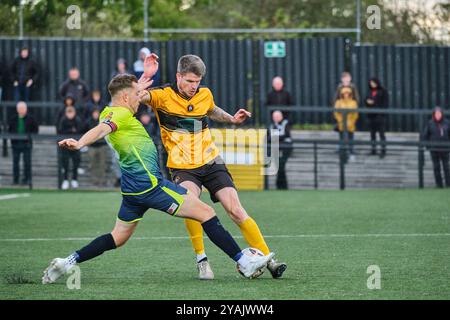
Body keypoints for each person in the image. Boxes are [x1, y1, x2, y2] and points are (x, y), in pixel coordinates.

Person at [42, 72, 274, 284]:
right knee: (207, 213)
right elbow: (102, 129)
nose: (140, 98)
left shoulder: (112, 108)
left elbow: (122, 100)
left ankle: (66, 262)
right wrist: (80, 142)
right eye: (136, 95)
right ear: (124, 98)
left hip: (132, 191)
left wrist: (144, 76)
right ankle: (244, 262)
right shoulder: (120, 114)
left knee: (118, 237)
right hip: (150, 186)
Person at [141, 54, 286, 280]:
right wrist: (146, 76)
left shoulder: (204, 94)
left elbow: (211, 109)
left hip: (211, 161)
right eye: (189, 81)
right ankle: (202, 260)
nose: (193, 86)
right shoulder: (162, 95)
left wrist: (232, 119)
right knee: (192, 204)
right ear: (178, 76)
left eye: (197, 82)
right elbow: (134, 96)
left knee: (236, 210)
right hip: (183, 167)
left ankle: (270, 261)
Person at [7, 101, 39, 185]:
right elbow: (10, 130)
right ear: (17, 109)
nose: (21, 110)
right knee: (15, 163)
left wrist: (29, 137)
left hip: (26, 144)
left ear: (26, 109)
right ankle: (15, 180)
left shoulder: (31, 118)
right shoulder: (13, 119)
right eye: (20, 108)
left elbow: (35, 130)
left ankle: (27, 179)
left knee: (27, 162)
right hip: (16, 144)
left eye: (23, 108)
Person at [421, 107, 450, 188]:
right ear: (433, 115)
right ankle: (439, 184)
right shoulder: (430, 123)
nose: (438, 115)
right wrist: (428, 147)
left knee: (446, 168)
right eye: (436, 114)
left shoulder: (447, 123)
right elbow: (425, 136)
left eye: (439, 113)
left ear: (442, 114)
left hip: (445, 149)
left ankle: (448, 184)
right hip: (434, 150)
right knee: (436, 168)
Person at [57, 105, 84, 190]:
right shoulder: (63, 120)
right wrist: (70, 131)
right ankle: (65, 180)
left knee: (76, 163)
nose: (70, 115)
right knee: (65, 164)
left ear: (74, 113)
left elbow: (80, 130)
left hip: (75, 145)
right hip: (65, 146)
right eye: (68, 112)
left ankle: (74, 180)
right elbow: (60, 131)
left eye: (71, 112)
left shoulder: (78, 120)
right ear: (66, 113)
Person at [364, 78, 388, 158]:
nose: (372, 84)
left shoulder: (383, 91)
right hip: (371, 115)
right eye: (371, 83)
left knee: (382, 134)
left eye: (373, 83)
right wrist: (367, 102)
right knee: (372, 134)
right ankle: (373, 150)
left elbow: (385, 103)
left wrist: (381, 113)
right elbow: (366, 100)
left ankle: (383, 151)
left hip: (380, 115)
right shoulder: (369, 91)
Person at [268, 111, 293, 189]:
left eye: (277, 116)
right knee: (279, 166)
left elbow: (287, 134)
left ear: (281, 116)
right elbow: (269, 138)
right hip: (277, 148)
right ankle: (280, 186)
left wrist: (275, 137)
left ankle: (282, 186)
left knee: (281, 165)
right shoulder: (272, 125)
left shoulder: (285, 123)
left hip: (286, 147)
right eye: (274, 117)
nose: (275, 118)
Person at [334, 86, 359, 162]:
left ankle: (352, 154)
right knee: (342, 139)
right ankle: (342, 155)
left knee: (351, 139)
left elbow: (356, 113)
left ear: (350, 94)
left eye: (348, 93)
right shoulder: (338, 102)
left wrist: (352, 121)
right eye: (344, 93)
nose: (346, 95)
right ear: (341, 94)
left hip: (351, 124)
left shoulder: (353, 102)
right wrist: (340, 120)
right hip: (342, 124)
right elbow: (336, 112)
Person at [85, 108, 108, 186]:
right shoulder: (88, 122)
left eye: (97, 113)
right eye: (94, 113)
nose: (95, 114)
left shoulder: (103, 122)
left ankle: (102, 180)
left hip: (102, 145)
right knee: (93, 164)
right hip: (92, 146)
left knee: (102, 164)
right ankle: (94, 180)